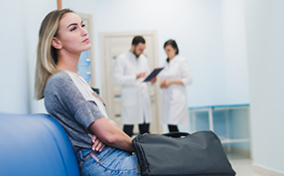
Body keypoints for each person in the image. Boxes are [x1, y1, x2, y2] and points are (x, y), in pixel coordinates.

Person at [34, 9, 140, 176]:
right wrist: (140, 147)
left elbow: (106, 128)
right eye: (73, 28)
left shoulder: (77, 79)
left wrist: (107, 126)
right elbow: (109, 136)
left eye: (82, 25)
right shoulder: (62, 81)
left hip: (111, 156)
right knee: (176, 163)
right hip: (105, 162)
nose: (84, 31)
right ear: (56, 42)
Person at [113, 36, 156, 137]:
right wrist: (135, 77)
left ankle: (146, 152)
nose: (142, 52)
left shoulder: (143, 59)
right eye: (140, 49)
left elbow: (147, 76)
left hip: (143, 99)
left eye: (143, 49)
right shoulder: (122, 58)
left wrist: (152, 80)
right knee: (128, 131)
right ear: (133, 46)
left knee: (145, 131)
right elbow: (117, 78)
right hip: (130, 99)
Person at [159, 39, 192, 132]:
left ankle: (178, 144)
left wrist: (171, 81)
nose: (166, 53)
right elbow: (161, 80)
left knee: (173, 125)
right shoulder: (165, 63)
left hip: (177, 98)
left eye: (169, 50)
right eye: (165, 50)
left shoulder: (181, 61)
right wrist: (162, 83)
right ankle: (177, 144)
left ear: (175, 49)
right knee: (170, 125)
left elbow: (188, 80)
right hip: (167, 98)